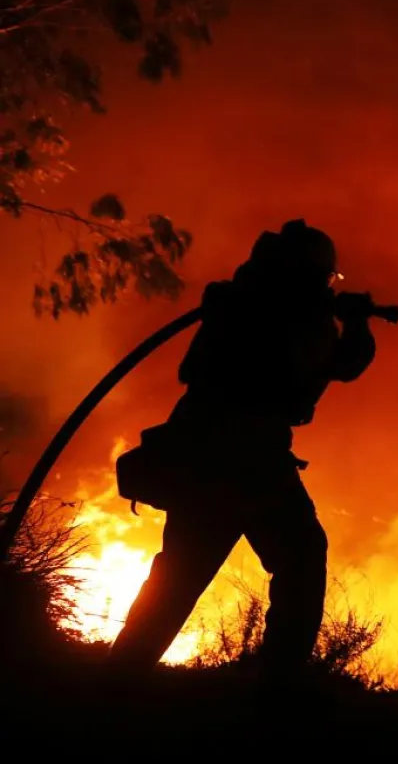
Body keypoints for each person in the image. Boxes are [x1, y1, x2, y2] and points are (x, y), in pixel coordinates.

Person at [108, 220, 378, 679]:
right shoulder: (293, 314)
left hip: (202, 450)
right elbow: (343, 363)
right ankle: (277, 682)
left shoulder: (240, 301)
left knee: (179, 577)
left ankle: (119, 677)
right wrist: (355, 322)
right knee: (301, 558)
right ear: (311, 273)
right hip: (250, 460)